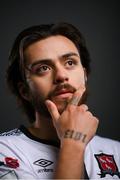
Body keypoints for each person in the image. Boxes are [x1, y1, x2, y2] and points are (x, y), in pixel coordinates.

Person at [0, 22, 120, 179]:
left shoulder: (116, 151)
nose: (61, 76)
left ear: (85, 75)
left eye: (70, 62)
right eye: (43, 68)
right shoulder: (5, 151)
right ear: (24, 91)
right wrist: (73, 142)